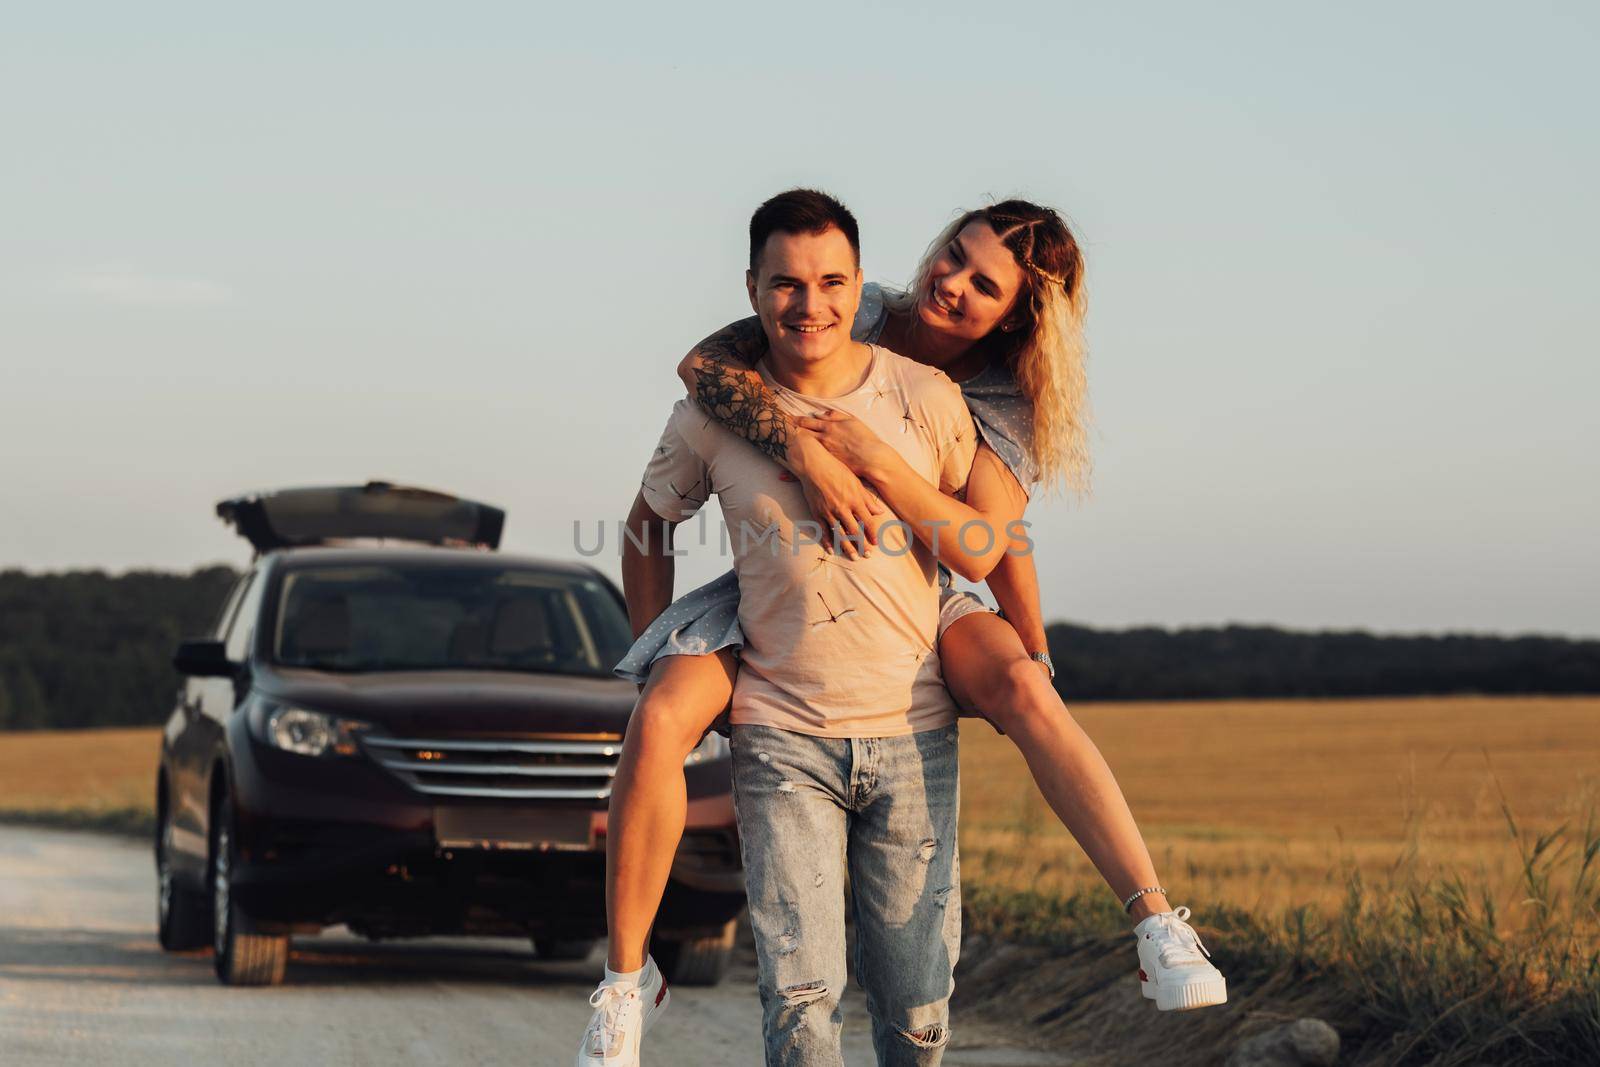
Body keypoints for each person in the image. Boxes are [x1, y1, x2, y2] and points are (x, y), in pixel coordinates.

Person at [578, 189, 977, 1067]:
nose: (811, 304)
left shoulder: (926, 398)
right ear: (752, 287)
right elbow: (647, 527)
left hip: (913, 730)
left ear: (861, 283)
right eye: (787, 284)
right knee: (800, 1002)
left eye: (832, 281)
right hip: (781, 734)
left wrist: (1012, 653)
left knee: (917, 1007)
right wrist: (660, 656)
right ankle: (623, 981)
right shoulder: (713, 411)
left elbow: (976, 535)